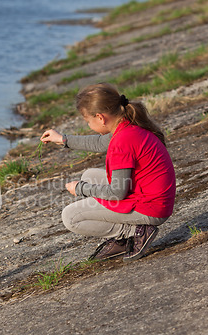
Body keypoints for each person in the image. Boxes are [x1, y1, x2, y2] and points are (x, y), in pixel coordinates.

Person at [40, 83, 176, 262]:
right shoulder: (127, 126)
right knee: (89, 175)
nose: (88, 125)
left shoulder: (122, 142)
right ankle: (123, 238)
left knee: (71, 217)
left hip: (151, 207)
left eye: (88, 121)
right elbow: (98, 143)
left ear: (100, 118)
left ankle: (135, 232)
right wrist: (62, 139)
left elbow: (117, 192)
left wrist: (81, 189)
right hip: (152, 196)